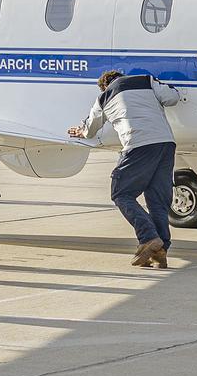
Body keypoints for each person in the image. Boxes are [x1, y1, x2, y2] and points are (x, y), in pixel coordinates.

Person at [70, 70, 181, 268]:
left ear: (104, 85)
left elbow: (90, 128)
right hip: (165, 143)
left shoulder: (104, 97)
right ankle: (160, 250)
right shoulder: (146, 80)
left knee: (121, 193)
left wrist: (80, 130)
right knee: (158, 201)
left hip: (138, 144)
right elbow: (172, 98)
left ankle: (148, 238)